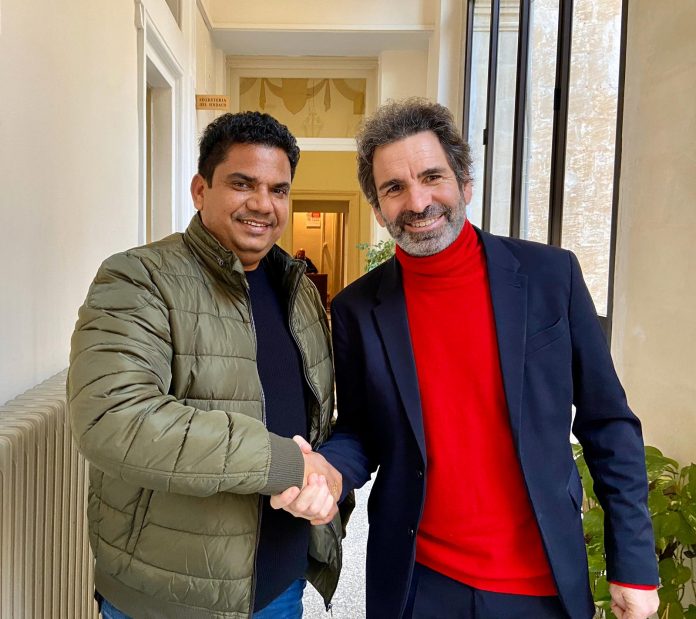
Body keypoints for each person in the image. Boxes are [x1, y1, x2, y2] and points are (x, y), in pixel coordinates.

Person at [273, 99, 659, 619]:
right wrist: (330, 473)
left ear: (465, 182)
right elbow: (362, 431)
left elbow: (608, 423)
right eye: (394, 188)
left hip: (539, 581)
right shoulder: (356, 308)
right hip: (418, 581)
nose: (418, 201)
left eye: (432, 177)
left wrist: (634, 564)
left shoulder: (551, 277)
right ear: (378, 208)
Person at [67, 111, 348, 619]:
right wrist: (283, 463)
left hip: (281, 583)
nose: (262, 204)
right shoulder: (138, 277)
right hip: (170, 595)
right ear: (201, 190)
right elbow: (113, 419)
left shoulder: (300, 290)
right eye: (242, 184)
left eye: (279, 190)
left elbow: (314, 421)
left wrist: (322, 490)